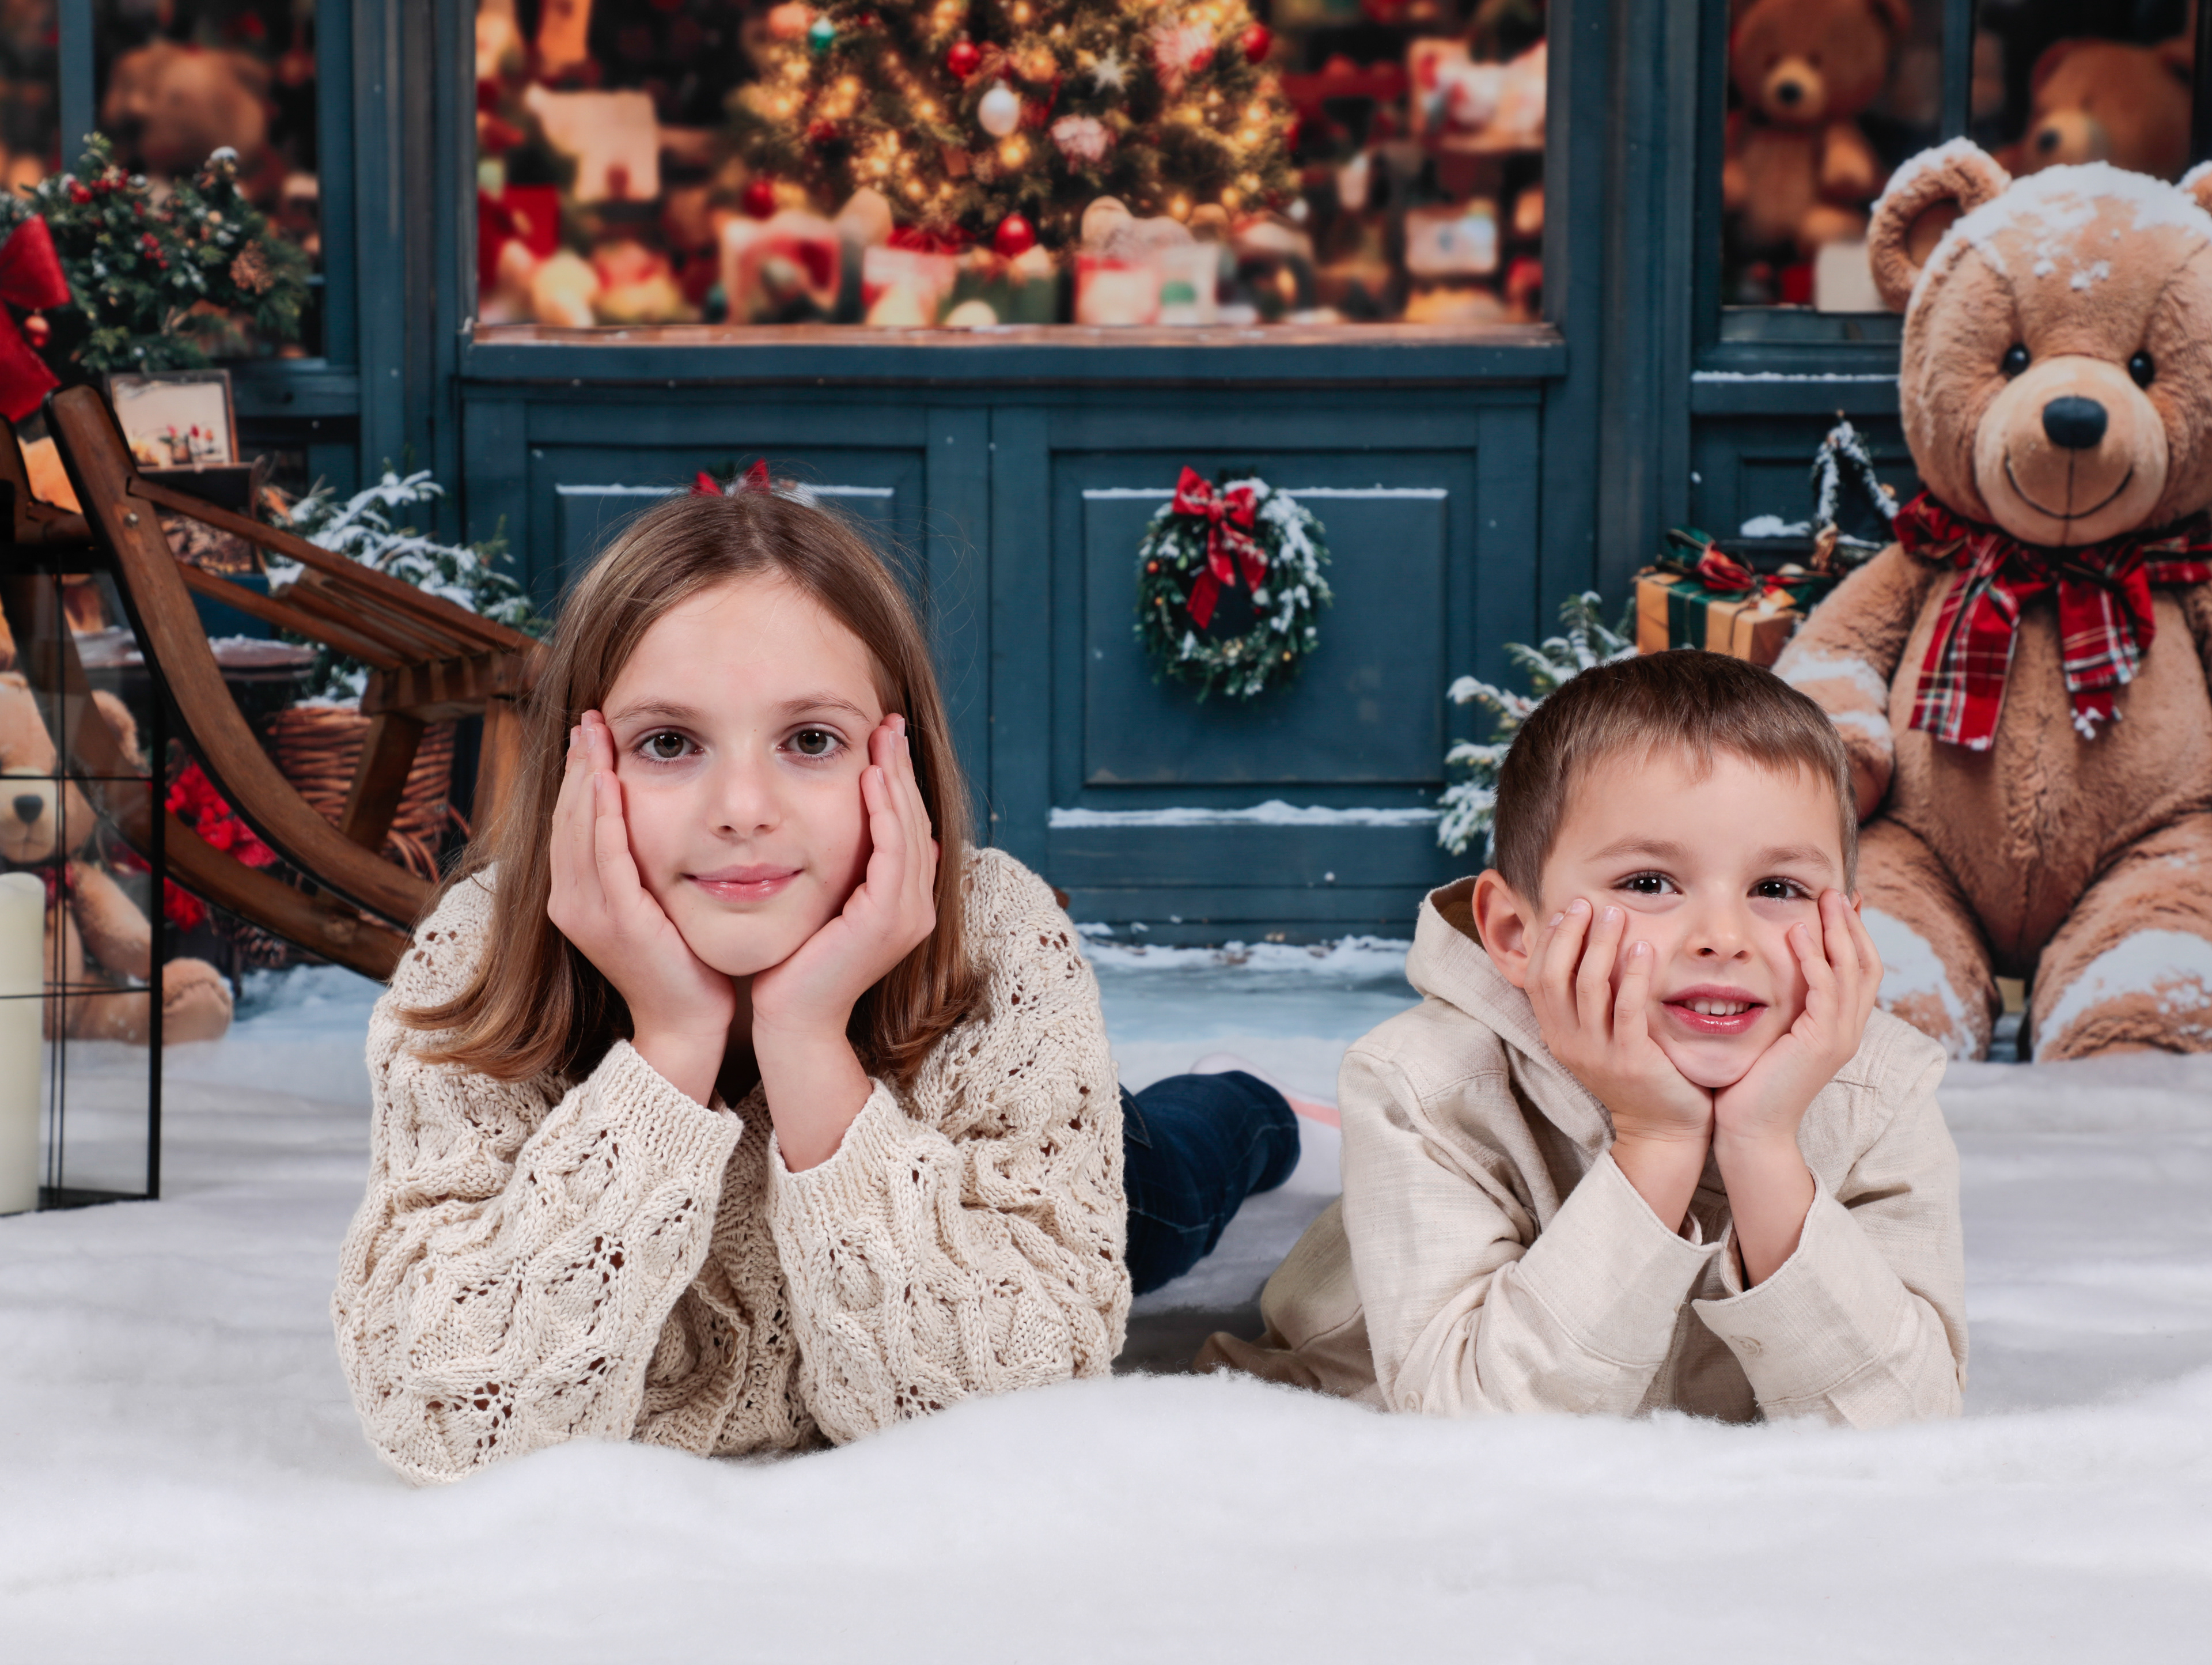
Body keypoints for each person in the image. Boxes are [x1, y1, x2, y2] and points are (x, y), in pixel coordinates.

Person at [331, 479, 1301, 1485]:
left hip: (981, 1190)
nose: (744, 807)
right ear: (582, 772)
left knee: (1184, 1170)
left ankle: (1253, 1101)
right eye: (668, 742)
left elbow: (1016, 1416)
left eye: (811, 741)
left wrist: (805, 1041)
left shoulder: (998, 933)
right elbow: (449, 1422)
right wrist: (669, 1046)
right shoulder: (480, 952)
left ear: (902, 764)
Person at [1202, 650, 1968, 1426]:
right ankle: (1258, 1114)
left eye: (1778, 889)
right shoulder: (1422, 1085)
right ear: (1514, 930)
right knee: (1215, 1139)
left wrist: (1765, 1145)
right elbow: (1476, 1428)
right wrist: (1658, 1138)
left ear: (1847, 926)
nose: (1724, 936)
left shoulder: (1883, 1090)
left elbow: (1909, 1423)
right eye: (1648, 882)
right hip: (1352, 1385)